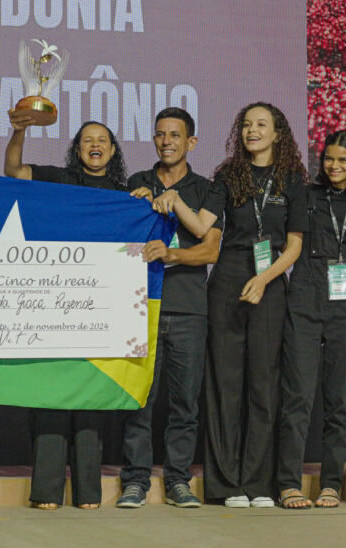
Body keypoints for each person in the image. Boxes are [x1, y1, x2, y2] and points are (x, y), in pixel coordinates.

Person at [170, 102, 307, 508]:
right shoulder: (229, 175)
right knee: (225, 386)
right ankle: (227, 484)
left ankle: (258, 483)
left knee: (263, 386)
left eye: (261, 125)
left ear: (277, 133)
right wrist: (173, 200)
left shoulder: (292, 180)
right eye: (246, 124)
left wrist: (264, 280)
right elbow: (200, 226)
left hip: (269, 283)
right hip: (228, 281)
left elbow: (295, 245)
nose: (252, 131)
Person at [4, 115, 128, 508]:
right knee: (52, 396)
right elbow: (13, 171)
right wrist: (20, 130)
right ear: (77, 149)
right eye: (87, 140)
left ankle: (89, 491)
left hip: (101, 308)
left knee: (90, 397)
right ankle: (45, 490)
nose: (95, 145)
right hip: (55, 304)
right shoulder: (58, 179)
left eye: (103, 140)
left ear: (112, 150)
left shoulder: (125, 194)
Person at [116, 108, 221, 509]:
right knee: (140, 399)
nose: (167, 142)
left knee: (184, 404)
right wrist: (134, 206)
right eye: (160, 135)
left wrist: (172, 254)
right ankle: (135, 481)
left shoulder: (207, 189)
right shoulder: (138, 182)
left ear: (191, 142)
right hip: (141, 306)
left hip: (189, 309)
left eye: (175, 135)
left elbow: (209, 249)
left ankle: (179, 481)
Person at [276, 131, 346, 509]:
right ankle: (288, 483)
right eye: (330, 159)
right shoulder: (306, 194)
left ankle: (331, 483)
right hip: (304, 296)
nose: (334, 166)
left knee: (339, 402)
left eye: (343, 160)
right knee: (297, 397)